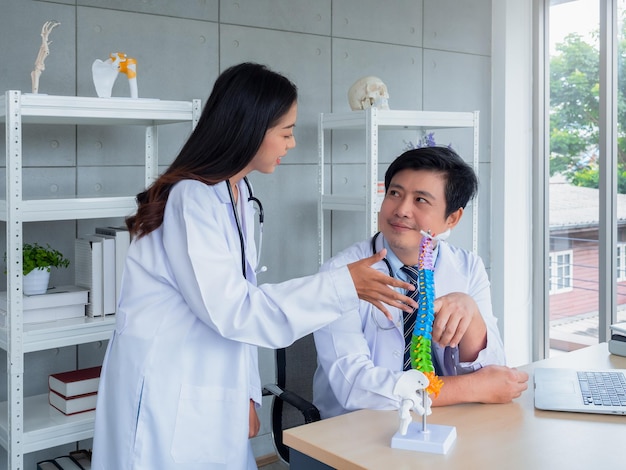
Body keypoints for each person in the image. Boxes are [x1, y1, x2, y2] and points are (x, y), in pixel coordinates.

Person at [90, 62, 418, 470]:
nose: (292, 143)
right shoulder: (191, 200)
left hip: (210, 386)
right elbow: (235, 309)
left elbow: (239, 305)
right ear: (249, 128)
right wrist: (341, 286)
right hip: (166, 388)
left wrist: (246, 392)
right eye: (286, 131)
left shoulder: (238, 192)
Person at [312, 146, 529, 419]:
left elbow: (494, 373)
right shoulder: (341, 272)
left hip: (444, 421)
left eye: (420, 200)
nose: (401, 210)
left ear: (452, 218)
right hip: (357, 427)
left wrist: (470, 314)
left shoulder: (468, 268)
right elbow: (354, 387)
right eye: (394, 193)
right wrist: (470, 388)